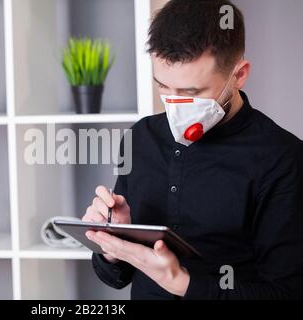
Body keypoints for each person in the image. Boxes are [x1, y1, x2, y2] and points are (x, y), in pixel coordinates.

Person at [82, 0, 303, 299]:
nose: (174, 104)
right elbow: (116, 277)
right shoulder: (140, 138)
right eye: (163, 86)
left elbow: (285, 293)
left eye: (191, 93)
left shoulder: (282, 157)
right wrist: (114, 240)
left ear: (238, 75)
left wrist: (181, 282)